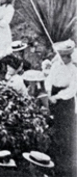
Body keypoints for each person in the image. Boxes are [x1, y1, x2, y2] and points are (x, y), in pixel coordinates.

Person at [45, 40, 77, 175]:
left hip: (65, 102)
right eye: (61, 56)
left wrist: (57, 97)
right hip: (52, 97)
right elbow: (49, 80)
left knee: (63, 131)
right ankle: (49, 157)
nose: (63, 59)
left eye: (65, 57)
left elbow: (71, 90)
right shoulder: (56, 65)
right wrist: (48, 94)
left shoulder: (73, 70)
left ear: (69, 57)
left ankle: (62, 166)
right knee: (51, 125)